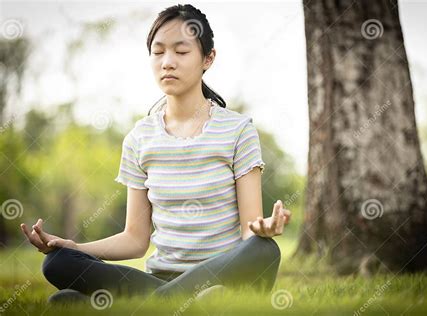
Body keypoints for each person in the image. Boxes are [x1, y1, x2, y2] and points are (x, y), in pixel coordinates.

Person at [19, 3, 291, 304]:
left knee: (264, 250)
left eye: (181, 51)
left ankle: (142, 306)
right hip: (159, 279)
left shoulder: (238, 130)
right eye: (158, 52)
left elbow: (248, 233)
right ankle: (180, 303)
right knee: (57, 262)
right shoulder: (140, 138)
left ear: (208, 58)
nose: (167, 62)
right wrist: (75, 247)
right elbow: (135, 240)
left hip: (222, 273)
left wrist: (263, 230)